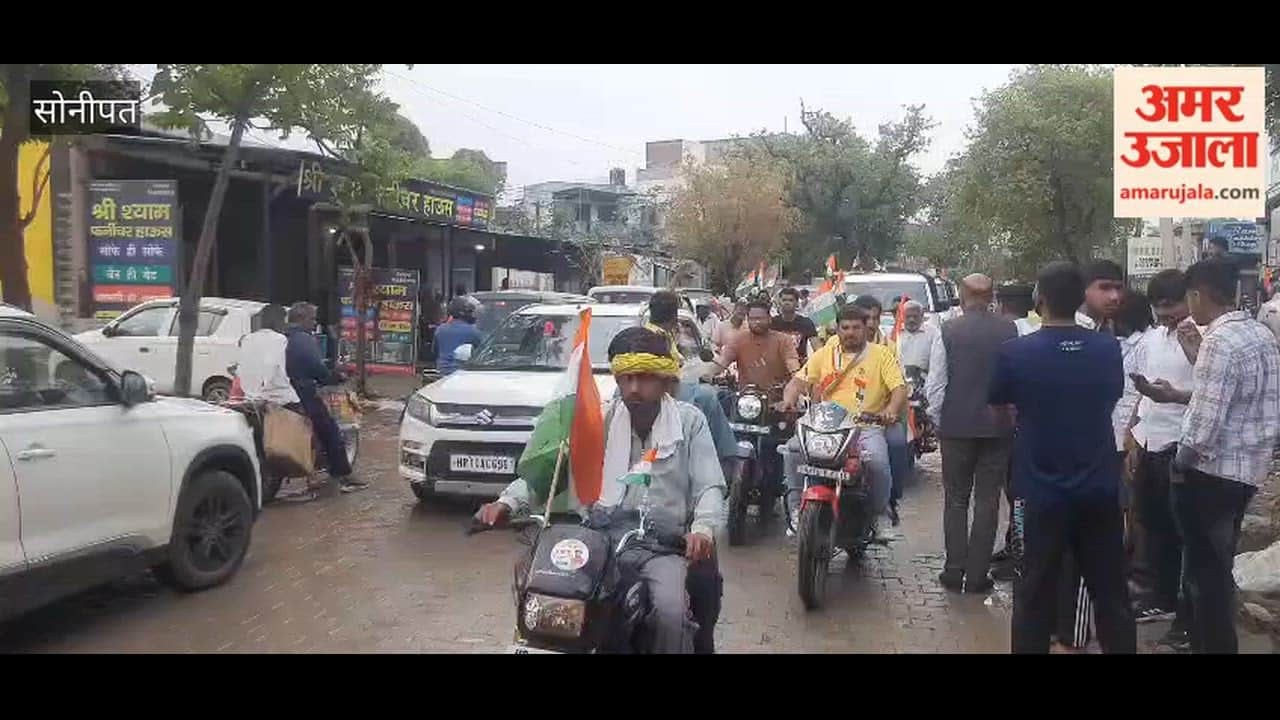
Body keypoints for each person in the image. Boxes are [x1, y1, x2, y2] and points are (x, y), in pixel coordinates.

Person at [475, 326, 727, 654]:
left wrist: (703, 530)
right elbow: (553, 469)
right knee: (542, 596)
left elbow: (709, 485)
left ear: (665, 380)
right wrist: (507, 502)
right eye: (626, 379)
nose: (634, 388)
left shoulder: (689, 422)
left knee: (671, 613)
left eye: (645, 378)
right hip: (596, 545)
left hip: (661, 548)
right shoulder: (599, 420)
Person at [991, 262, 1134, 654]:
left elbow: (1000, 413)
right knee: (1110, 591)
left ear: (1040, 300)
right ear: (1080, 299)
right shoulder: (1107, 348)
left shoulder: (1014, 353)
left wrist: (1025, 425)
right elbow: (1111, 400)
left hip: (1036, 493)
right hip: (1099, 488)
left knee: (1032, 588)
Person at [1140, 258, 1280, 654]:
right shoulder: (1261, 334)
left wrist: (1181, 463)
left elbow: (1206, 419)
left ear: (1197, 295)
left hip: (1211, 473)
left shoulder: (1219, 340)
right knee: (1216, 570)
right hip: (1246, 471)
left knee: (1206, 578)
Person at [778, 304, 906, 539]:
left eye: (856, 327)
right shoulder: (825, 354)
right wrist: (788, 400)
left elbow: (898, 388)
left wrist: (890, 410)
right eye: (845, 327)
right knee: (792, 450)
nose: (850, 332)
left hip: (865, 426)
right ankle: (797, 507)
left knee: (877, 462)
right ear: (837, 329)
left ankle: (879, 513)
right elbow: (797, 383)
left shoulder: (881, 355)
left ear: (865, 328)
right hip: (826, 425)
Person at [923, 274, 1016, 593]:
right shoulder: (1010, 329)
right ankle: (977, 576)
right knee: (988, 500)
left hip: (956, 426)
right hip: (998, 426)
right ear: (990, 297)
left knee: (956, 499)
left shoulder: (947, 330)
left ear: (962, 296)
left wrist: (939, 421)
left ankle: (953, 570)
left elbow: (936, 385)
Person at [1125, 270, 1194, 646]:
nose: (1166, 314)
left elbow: (1211, 389)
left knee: (1183, 532)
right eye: (1159, 308)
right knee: (1152, 524)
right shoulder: (1153, 339)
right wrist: (1133, 433)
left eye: (1172, 306)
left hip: (1182, 444)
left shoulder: (1205, 339)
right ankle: (1160, 597)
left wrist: (1193, 348)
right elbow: (1142, 389)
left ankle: (1184, 609)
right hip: (1150, 440)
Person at [284, 302, 366, 494]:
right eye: (312, 319)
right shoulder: (303, 339)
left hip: (279, 393)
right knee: (330, 430)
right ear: (301, 319)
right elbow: (317, 368)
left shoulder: (282, 337)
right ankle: (343, 475)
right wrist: (334, 377)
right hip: (302, 393)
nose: (314, 324)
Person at [851, 294, 912, 524]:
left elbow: (899, 386)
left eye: (875, 318)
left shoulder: (889, 348)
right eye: (865, 319)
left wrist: (890, 411)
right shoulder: (836, 344)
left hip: (880, 417)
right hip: (844, 417)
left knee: (896, 445)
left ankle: (889, 502)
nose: (871, 324)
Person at [713, 299, 800, 391]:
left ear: (769, 319)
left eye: (760, 318)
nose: (756, 322)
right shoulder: (737, 339)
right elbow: (723, 361)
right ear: (747, 320)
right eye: (752, 319)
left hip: (779, 396)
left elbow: (792, 362)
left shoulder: (784, 340)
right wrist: (709, 374)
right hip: (747, 397)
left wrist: (796, 378)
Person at [235, 304, 299, 405]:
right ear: (277, 320)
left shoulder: (247, 339)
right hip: (278, 398)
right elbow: (273, 366)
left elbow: (240, 370)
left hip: (250, 398)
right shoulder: (280, 339)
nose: (285, 325)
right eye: (284, 320)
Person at [434, 297, 483, 376]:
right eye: (470, 312)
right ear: (464, 313)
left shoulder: (440, 329)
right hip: (463, 373)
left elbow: (435, 351)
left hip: (442, 372)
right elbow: (481, 352)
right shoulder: (473, 331)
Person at [770, 287, 819, 365]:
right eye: (784, 300)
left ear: (796, 303)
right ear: (779, 302)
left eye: (790, 300)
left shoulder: (806, 323)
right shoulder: (772, 323)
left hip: (800, 367)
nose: (787, 303)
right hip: (777, 366)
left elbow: (818, 349)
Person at [896, 300, 936, 373]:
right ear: (902, 316)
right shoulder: (895, 334)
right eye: (908, 316)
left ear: (922, 316)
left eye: (915, 316)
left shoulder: (933, 333)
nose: (912, 320)